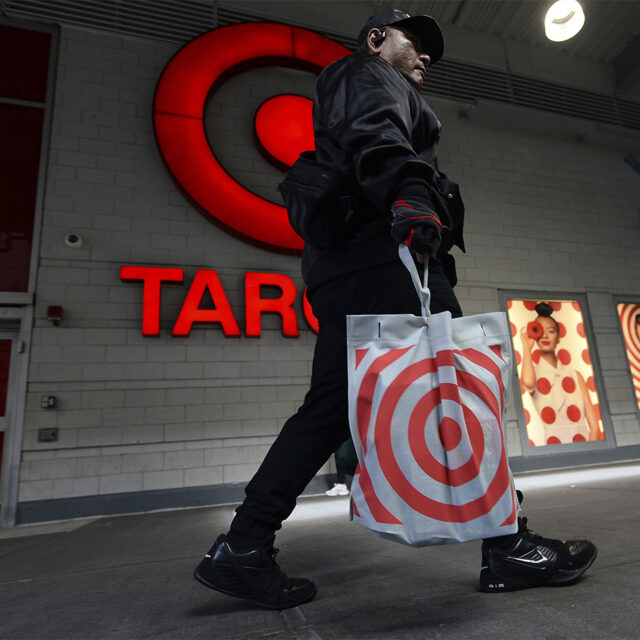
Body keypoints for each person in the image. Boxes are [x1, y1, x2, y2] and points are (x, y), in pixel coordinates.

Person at [193, 9, 597, 609]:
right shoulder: (366, 73)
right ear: (378, 38)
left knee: (330, 406)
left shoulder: (370, 82)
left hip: (352, 264)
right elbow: (375, 133)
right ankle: (508, 546)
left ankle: (244, 546)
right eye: (417, 43)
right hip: (388, 254)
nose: (426, 57)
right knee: (459, 385)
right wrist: (411, 194)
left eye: (432, 52)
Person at [520, 302, 600, 443]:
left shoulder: (575, 375)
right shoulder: (534, 373)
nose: (545, 336)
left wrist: (592, 452)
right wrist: (526, 347)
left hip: (584, 443)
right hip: (555, 444)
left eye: (551, 331)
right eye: (540, 330)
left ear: (558, 337)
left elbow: (594, 426)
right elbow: (527, 382)